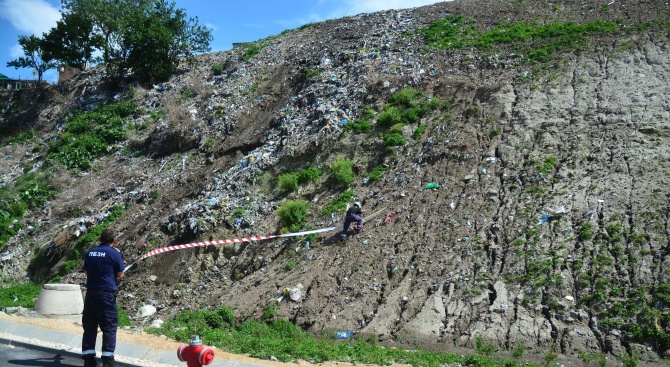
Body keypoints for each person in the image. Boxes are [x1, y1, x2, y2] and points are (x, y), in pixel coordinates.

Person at [81, 229, 125, 367]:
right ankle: (107, 361)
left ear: (100, 239)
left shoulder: (90, 252)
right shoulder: (114, 253)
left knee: (90, 326)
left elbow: (87, 272)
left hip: (91, 294)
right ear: (114, 241)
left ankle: (88, 359)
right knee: (109, 327)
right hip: (106, 295)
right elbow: (120, 275)